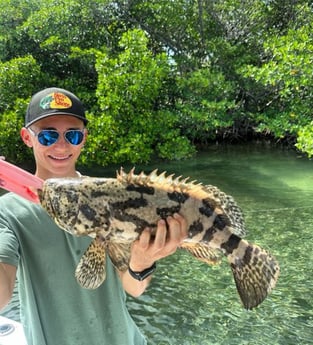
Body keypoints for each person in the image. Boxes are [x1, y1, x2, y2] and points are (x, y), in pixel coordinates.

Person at [0, 87, 187, 345]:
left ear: (84, 138)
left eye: (73, 135)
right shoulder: (8, 211)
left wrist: (142, 261)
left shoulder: (112, 194)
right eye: (47, 136)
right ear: (27, 137)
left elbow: (134, 287)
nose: (61, 145)